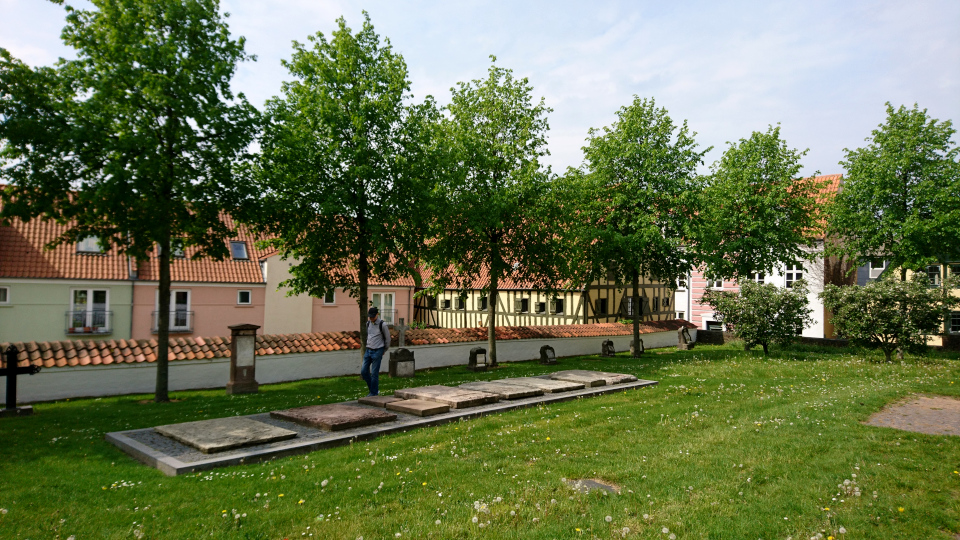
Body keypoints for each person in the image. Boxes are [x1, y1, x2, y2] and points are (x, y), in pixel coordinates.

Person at [361, 306, 391, 396]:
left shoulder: (383, 325)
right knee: (364, 371)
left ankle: (373, 393)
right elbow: (369, 335)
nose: (371, 318)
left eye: (373, 316)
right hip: (368, 350)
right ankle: (373, 390)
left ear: (377, 314)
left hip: (378, 350)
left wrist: (384, 350)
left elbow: (388, 339)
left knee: (374, 373)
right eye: (370, 317)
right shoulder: (368, 323)